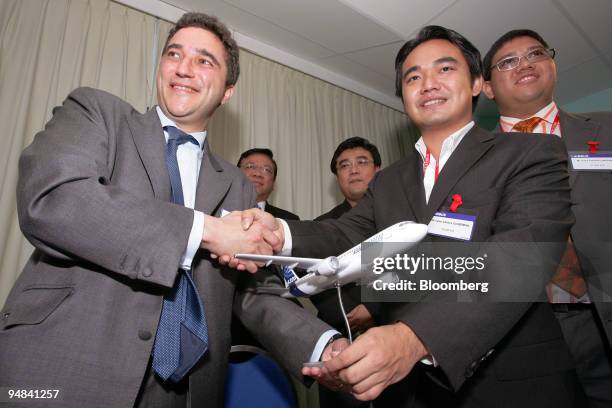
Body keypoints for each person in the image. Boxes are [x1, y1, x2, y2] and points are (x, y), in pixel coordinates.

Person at [230, 25, 584, 407]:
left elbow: (522, 258)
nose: (428, 84)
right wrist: (278, 232)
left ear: (478, 83)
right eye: (413, 77)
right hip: (412, 392)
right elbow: (345, 233)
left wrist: (415, 337)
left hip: (514, 383)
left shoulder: (530, 152)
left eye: (444, 70)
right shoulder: (389, 181)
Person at [0, 12, 340, 408]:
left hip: (187, 390)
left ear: (228, 90)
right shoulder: (98, 114)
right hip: (65, 370)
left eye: (204, 61)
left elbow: (256, 293)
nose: (183, 69)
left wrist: (323, 346)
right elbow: (54, 200)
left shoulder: (237, 184)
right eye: (173, 54)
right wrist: (207, 230)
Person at [482, 28, 612, 407]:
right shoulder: (473, 162)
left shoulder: (607, 131)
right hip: (524, 332)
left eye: (535, 53)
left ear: (552, 64)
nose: (524, 63)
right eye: (508, 61)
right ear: (487, 87)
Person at [313, 137, 381, 408]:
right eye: (344, 165)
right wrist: (354, 316)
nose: (353, 169)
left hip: (399, 331)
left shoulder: (402, 218)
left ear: (377, 169)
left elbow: (417, 269)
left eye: (362, 162)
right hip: (341, 340)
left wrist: (375, 307)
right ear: (337, 177)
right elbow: (318, 285)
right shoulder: (321, 226)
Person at [237, 148, 299, 220]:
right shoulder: (221, 210)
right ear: (236, 174)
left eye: (267, 170)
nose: (258, 174)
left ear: (273, 183)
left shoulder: (290, 220)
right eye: (250, 167)